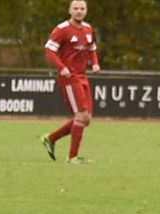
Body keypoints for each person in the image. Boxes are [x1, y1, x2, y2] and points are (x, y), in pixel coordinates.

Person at [41, 0, 99, 164]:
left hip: (82, 77)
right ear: (69, 10)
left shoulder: (88, 29)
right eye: (76, 8)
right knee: (80, 116)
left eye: (82, 8)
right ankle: (72, 157)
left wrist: (95, 63)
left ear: (86, 11)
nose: (79, 11)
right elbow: (49, 50)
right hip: (69, 78)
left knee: (86, 119)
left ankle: (51, 138)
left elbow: (92, 48)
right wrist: (62, 67)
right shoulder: (62, 29)